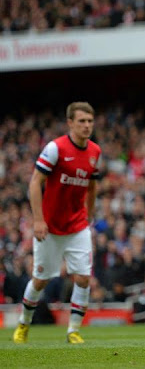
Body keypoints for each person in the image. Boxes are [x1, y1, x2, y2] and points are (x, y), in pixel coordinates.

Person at [13, 102, 101, 344]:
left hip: (77, 226)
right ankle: (24, 324)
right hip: (49, 227)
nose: (87, 126)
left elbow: (92, 185)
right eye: (81, 121)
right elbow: (34, 183)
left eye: (90, 121)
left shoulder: (95, 151)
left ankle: (73, 331)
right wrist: (38, 220)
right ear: (70, 123)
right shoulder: (55, 149)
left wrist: (89, 213)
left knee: (83, 278)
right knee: (40, 280)